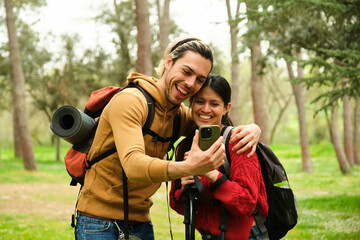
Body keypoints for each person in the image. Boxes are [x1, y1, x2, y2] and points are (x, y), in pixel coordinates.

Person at [75, 37, 261, 240]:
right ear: (169, 63)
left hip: (141, 222)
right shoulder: (130, 101)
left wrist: (252, 128)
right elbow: (133, 164)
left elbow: (213, 120)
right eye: (187, 71)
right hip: (99, 223)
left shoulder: (179, 114)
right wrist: (189, 167)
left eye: (200, 79)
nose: (191, 83)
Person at [170, 74, 268, 240]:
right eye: (200, 101)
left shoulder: (238, 142)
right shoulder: (185, 146)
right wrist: (184, 189)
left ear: (226, 107)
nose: (206, 109)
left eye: (214, 104)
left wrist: (210, 171)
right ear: (191, 103)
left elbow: (246, 204)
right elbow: (177, 205)